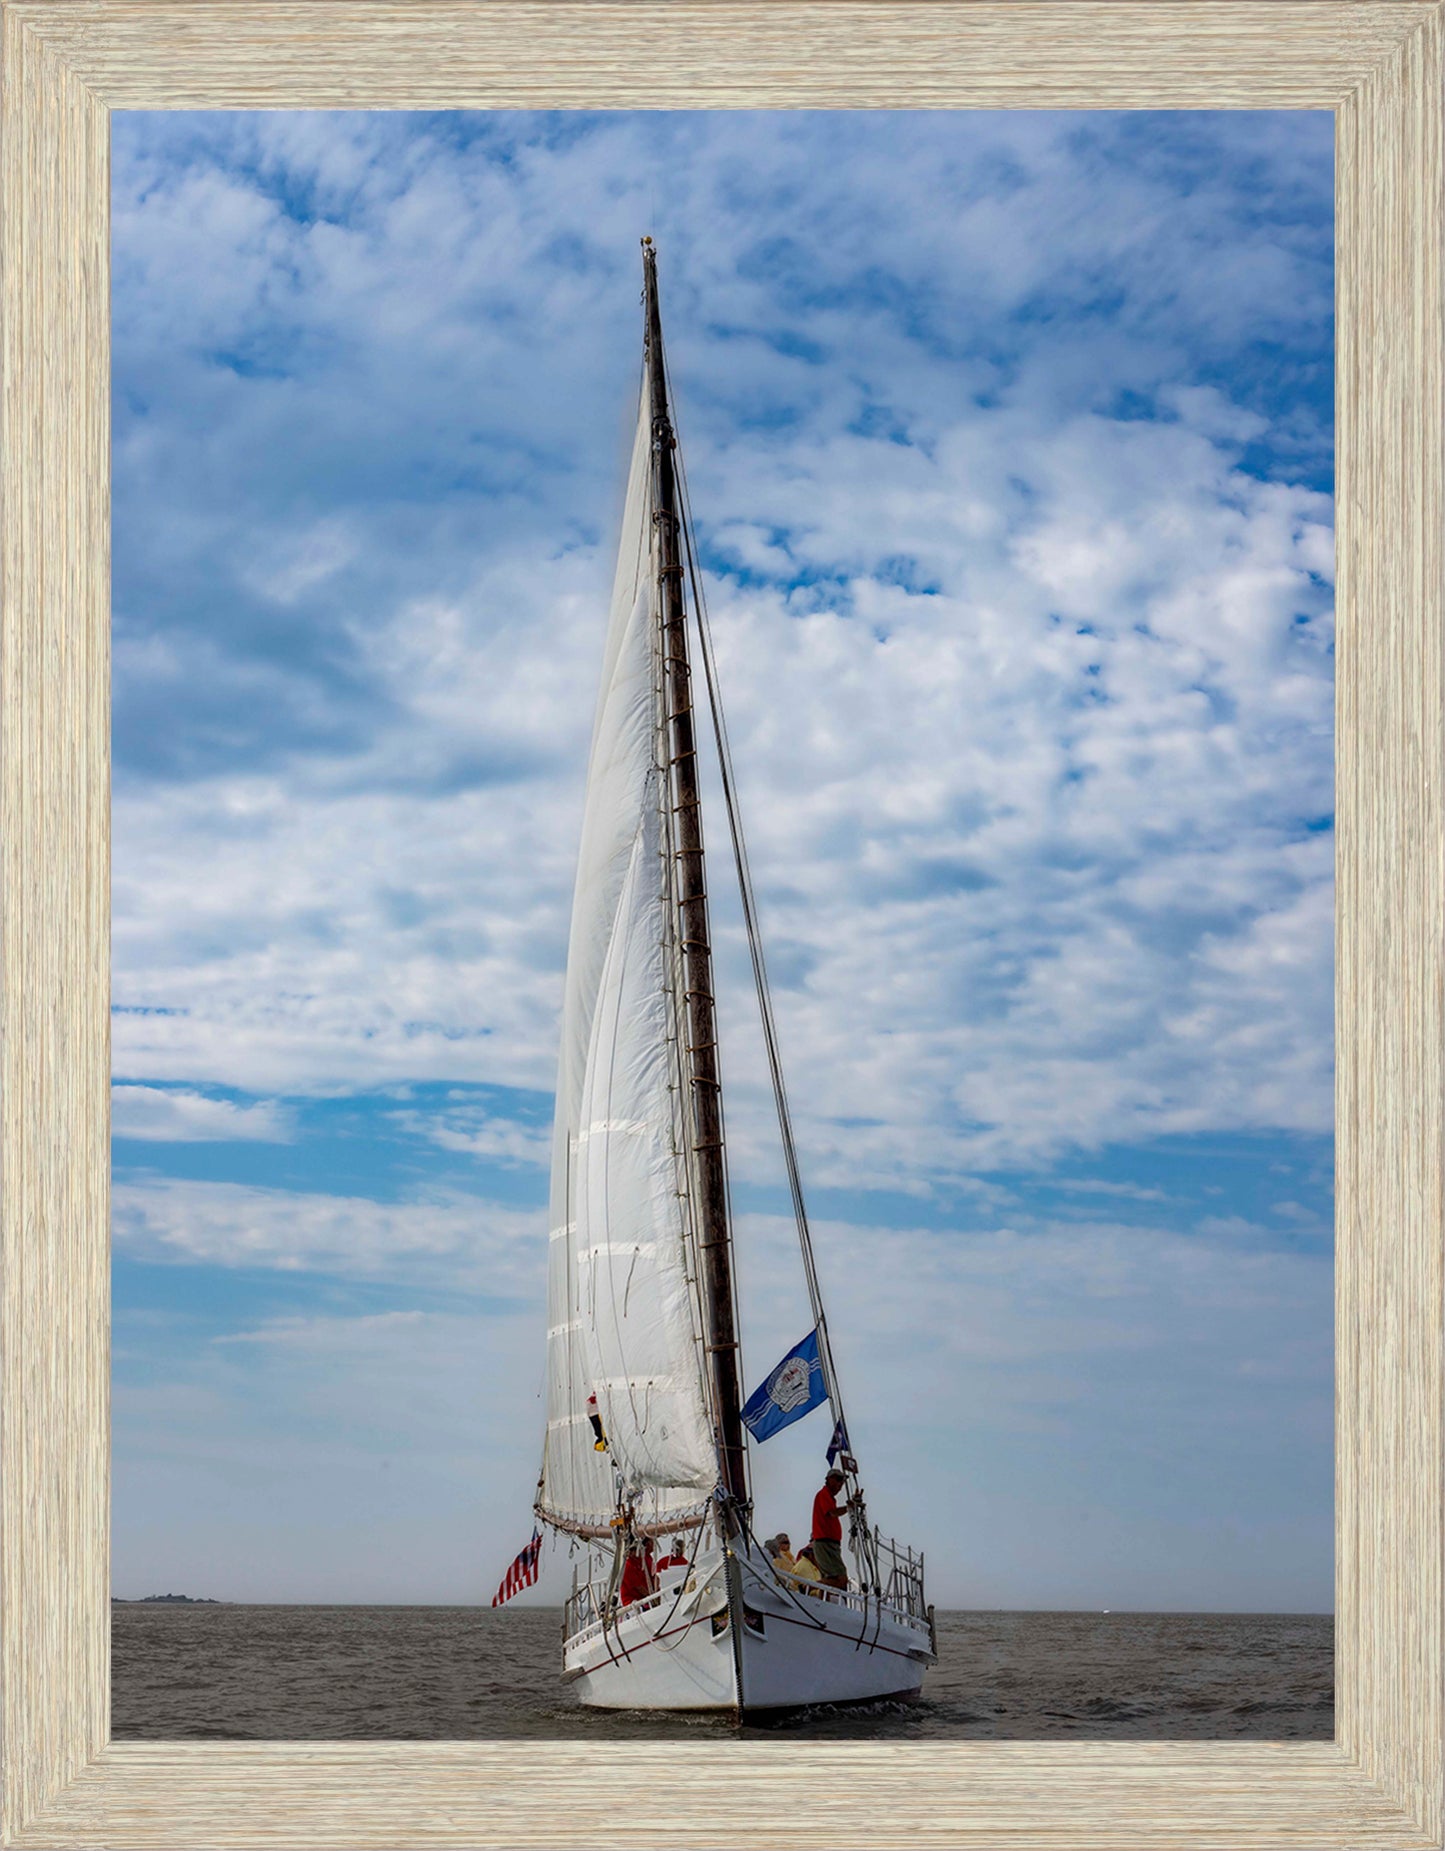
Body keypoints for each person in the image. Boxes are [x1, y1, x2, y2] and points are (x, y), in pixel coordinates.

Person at [810, 1467, 853, 1588]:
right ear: (829, 1479)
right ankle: (808, 1587)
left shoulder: (829, 1497)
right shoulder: (823, 1494)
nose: (841, 1484)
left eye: (843, 1481)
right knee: (841, 1579)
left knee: (830, 1578)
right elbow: (831, 1512)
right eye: (839, 1479)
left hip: (829, 1544)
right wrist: (849, 1508)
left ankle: (820, 1599)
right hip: (826, 1543)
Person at [618, 1540, 653, 1607]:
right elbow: (639, 1588)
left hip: (644, 1599)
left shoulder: (642, 1562)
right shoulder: (627, 1566)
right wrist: (652, 1598)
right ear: (633, 1552)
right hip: (632, 1602)